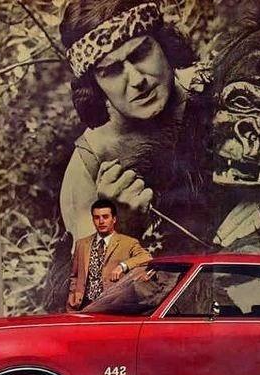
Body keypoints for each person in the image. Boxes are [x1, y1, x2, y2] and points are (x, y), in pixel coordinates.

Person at [59, 0, 211, 253]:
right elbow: (89, 275)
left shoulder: (213, 86)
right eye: (111, 70)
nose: (137, 80)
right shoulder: (89, 163)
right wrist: (122, 229)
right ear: (94, 86)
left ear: (163, 44)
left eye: (141, 53)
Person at [67, 199, 152, 310]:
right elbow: (74, 276)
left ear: (114, 219)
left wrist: (122, 266)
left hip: (112, 306)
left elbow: (146, 257)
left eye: (105, 217)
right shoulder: (81, 244)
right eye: (97, 217)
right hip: (82, 306)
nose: (101, 221)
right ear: (93, 220)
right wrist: (72, 298)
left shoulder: (128, 243)